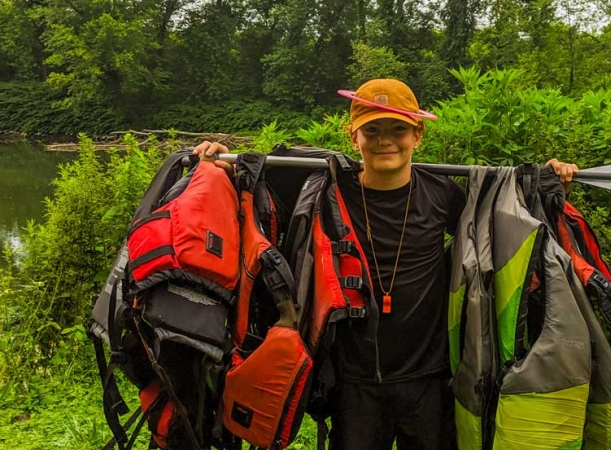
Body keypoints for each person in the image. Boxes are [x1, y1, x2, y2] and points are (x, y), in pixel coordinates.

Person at [194, 78, 578, 450]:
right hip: (354, 383)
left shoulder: (442, 194)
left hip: (429, 379)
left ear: (417, 136)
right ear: (353, 136)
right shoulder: (327, 188)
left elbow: (505, 219)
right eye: (372, 129)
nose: (385, 140)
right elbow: (254, 184)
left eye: (398, 128)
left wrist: (549, 180)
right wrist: (220, 158)